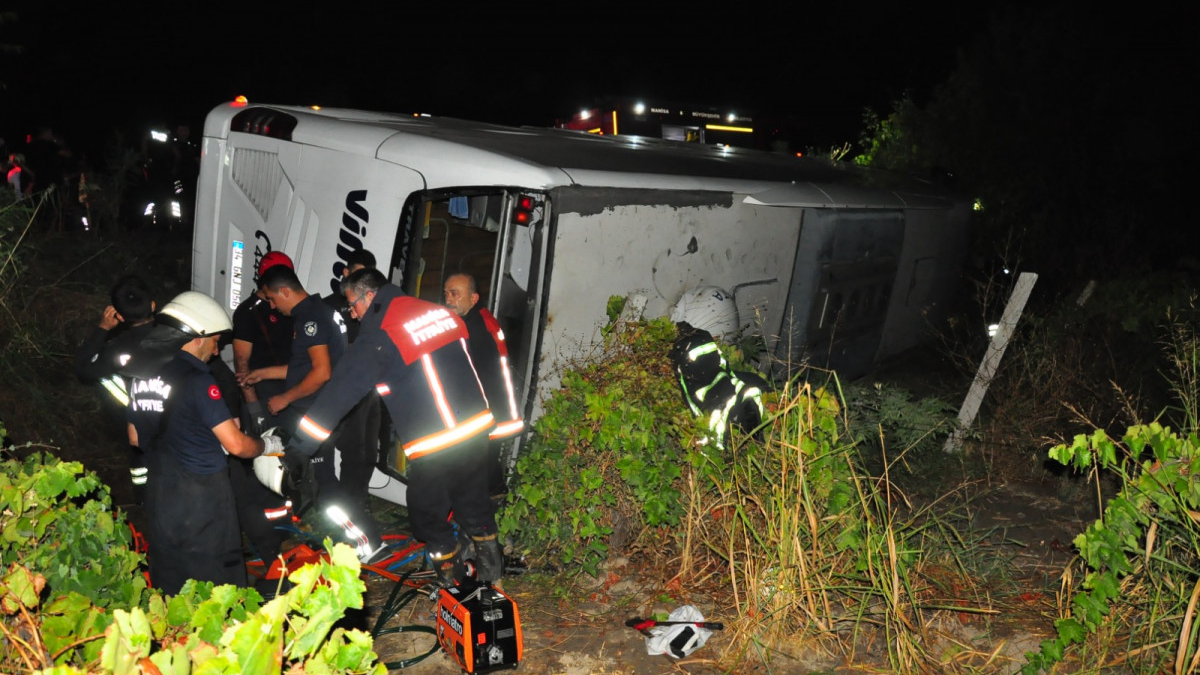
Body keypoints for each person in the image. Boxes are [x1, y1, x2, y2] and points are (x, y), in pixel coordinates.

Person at [280, 268, 502, 585]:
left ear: (370, 296)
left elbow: (337, 396)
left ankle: (453, 586)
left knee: (426, 517)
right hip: (476, 430)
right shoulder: (438, 312)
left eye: (352, 305)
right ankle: (494, 582)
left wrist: (300, 448)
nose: (353, 314)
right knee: (474, 504)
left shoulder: (381, 335)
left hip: (437, 443)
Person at [123, 291, 281, 595]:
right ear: (197, 336)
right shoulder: (199, 380)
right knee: (218, 583)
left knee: (174, 582)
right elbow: (235, 445)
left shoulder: (141, 376)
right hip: (203, 499)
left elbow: (134, 436)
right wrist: (266, 446)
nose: (217, 347)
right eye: (215, 339)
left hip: (160, 495)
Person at [320, 249, 386, 559]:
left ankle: (358, 501)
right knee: (349, 452)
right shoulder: (331, 307)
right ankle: (348, 515)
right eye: (355, 273)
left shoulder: (376, 307)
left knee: (367, 452)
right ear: (345, 273)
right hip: (345, 388)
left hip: (371, 390)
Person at [75, 274, 158, 505]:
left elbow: (83, 369)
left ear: (118, 316)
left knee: (140, 467)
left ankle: (144, 501)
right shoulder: (177, 337)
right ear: (152, 305)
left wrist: (102, 328)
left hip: (136, 423)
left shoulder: (114, 350)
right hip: (175, 420)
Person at [443, 273, 524, 500]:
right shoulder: (480, 319)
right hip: (491, 411)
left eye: (455, 294)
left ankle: (489, 520)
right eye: (447, 293)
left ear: (474, 298)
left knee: (478, 476)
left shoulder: (476, 329)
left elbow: (473, 373)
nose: (448, 299)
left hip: (485, 413)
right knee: (486, 473)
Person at [231, 251, 295, 435]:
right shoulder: (248, 312)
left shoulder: (290, 306)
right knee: (265, 456)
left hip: (290, 388)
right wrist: (253, 406)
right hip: (262, 390)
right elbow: (241, 362)